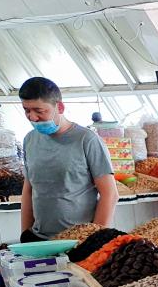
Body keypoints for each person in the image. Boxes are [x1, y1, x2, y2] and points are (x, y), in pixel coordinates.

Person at [19, 77, 117, 242]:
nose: (32, 117)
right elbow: (28, 190)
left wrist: (95, 240)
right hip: (39, 238)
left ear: (60, 107)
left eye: (39, 111)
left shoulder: (87, 140)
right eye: (27, 110)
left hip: (78, 241)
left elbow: (110, 194)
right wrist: (25, 235)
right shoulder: (29, 140)